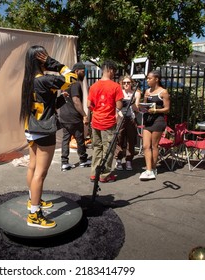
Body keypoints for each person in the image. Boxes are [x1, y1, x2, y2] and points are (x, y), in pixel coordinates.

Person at [19, 46, 77, 228]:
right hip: (43, 130)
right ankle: (34, 215)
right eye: (45, 57)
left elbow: (44, 103)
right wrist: (54, 63)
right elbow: (72, 78)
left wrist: (58, 99)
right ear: (41, 60)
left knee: (33, 167)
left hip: (31, 127)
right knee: (40, 174)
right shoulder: (46, 79)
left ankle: (33, 200)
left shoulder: (29, 80)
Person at [87, 60, 123, 183]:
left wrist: (98, 110)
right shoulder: (115, 86)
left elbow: (89, 105)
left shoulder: (93, 86)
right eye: (114, 71)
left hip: (96, 122)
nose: (114, 74)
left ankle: (94, 173)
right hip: (108, 123)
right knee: (108, 149)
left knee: (97, 147)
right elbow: (119, 105)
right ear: (110, 70)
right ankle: (104, 175)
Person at [59, 61, 91, 171]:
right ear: (77, 71)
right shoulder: (75, 83)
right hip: (73, 116)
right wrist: (84, 114)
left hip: (63, 115)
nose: (84, 74)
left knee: (65, 139)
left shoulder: (65, 81)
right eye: (83, 71)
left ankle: (64, 162)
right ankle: (83, 160)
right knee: (80, 138)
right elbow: (76, 100)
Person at [139, 70, 170, 180]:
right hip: (148, 120)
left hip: (158, 121)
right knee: (145, 146)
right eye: (147, 78)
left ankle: (153, 168)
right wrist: (145, 98)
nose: (147, 80)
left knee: (154, 146)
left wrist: (156, 110)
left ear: (156, 79)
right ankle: (148, 170)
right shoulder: (147, 91)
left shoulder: (163, 92)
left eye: (149, 78)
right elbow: (145, 105)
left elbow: (167, 109)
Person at [114, 75, 141, 171]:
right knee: (119, 139)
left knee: (131, 140)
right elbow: (115, 107)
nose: (126, 84)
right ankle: (118, 160)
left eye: (128, 82)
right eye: (124, 82)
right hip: (121, 118)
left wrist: (133, 102)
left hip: (131, 118)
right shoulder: (119, 92)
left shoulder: (136, 93)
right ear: (121, 83)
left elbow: (137, 109)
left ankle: (129, 160)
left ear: (131, 83)